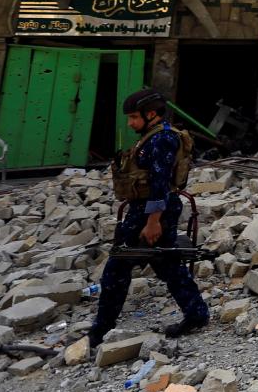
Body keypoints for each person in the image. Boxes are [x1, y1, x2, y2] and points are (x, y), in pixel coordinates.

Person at [87, 88, 209, 348]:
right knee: (167, 264)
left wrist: (153, 221)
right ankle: (197, 313)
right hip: (149, 209)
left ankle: (100, 331)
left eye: (133, 117)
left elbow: (160, 182)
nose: (130, 123)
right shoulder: (151, 138)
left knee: (117, 268)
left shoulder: (161, 139)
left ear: (150, 114)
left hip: (151, 212)